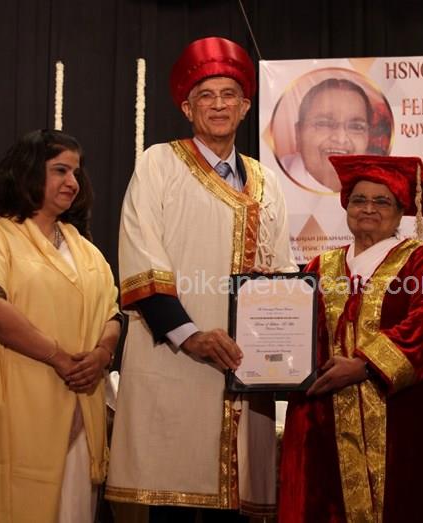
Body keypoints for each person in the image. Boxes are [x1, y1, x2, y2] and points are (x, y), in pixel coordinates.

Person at [105, 36, 297, 522]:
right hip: (176, 362)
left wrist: (284, 345)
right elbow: (141, 258)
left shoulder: (266, 180)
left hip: (247, 368)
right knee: (174, 501)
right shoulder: (159, 164)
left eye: (229, 95)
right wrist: (191, 336)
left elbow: (284, 271)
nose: (218, 105)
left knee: (234, 508)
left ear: (245, 107)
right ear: (187, 108)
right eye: (205, 96)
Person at [0, 129, 121, 523]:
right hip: (0, 394)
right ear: (28, 171)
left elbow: (112, 312)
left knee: (70, 505)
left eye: (76, 172)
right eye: (60, 170)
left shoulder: (85, 249)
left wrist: (102, 355)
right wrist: (58, 357)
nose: (72, 182)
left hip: (75, 398)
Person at [279, 155, 423, 522]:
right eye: (359, 200)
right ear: (346, 207)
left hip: (406, 418)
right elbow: (296, 329)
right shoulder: (320, 266)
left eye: (382, 201)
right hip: (328, 419)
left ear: (400, 212)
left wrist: (365, 365)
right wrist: (263, 300)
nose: (368, 208)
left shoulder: (418, 259)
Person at [281, 78, 373, 192]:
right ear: (298, 134)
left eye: (356, 127)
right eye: (324, 124)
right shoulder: (270, 183)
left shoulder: (380, 186)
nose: (340, 139)